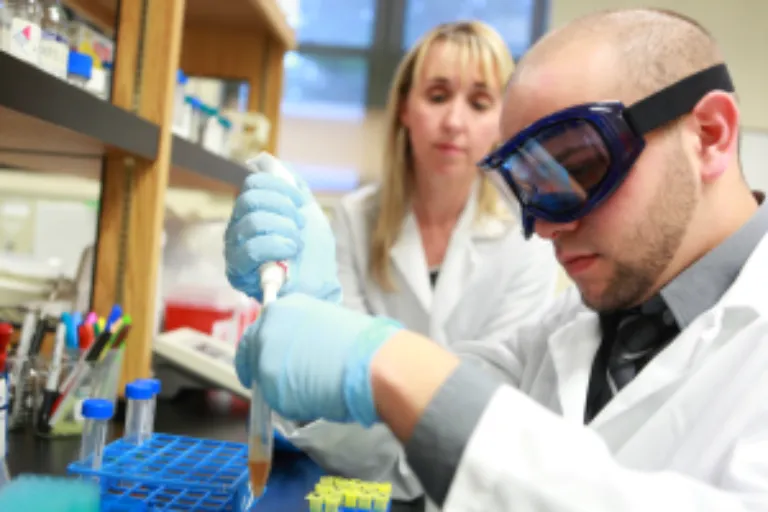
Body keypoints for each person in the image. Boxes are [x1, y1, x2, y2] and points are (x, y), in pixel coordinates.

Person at [234, 7, 768, 511]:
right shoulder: (570, 326)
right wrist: (321, 345)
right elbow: (414, 451)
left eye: (579, 168)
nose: (547, 228)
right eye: (530, 187)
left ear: (709, 135)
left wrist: (394, 363)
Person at [225, 20, 558, 502]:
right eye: (438, 95)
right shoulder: (356, 218)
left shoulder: (527, 240)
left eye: (480, 102)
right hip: (348, 487)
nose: (455, 122)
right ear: (404, 106)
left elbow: (493, 403)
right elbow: (327, 383)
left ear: (501, 120)